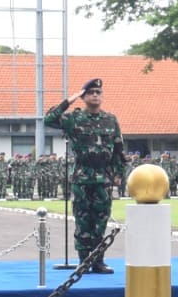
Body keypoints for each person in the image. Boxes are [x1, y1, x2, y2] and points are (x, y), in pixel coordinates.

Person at [43, 78, 127, 273]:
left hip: (103, 179)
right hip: (82, 178)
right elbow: (49, 119)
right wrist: (70, 100)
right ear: (84, 96)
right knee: (83, 222)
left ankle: (98, 260)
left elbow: (118, 149)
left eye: (98, 92)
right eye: (90, 93)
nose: (95, 95)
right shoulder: (75, 119)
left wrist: (118, 174)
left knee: (100, 221)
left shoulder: (111, 119)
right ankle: (84, 261)